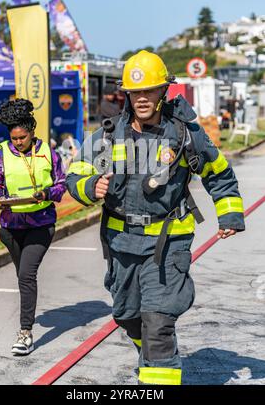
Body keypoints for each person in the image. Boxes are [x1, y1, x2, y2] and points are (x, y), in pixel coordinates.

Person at [66, 50, 245, 385]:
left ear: (164, 91)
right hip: (121, 244)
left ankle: (157, 373)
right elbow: (74, 175)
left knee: (158, 323)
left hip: (168, 245)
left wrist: (230, 214)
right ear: (127, 94)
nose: (142, 98)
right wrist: (91, 186)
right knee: (127, 316)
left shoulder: (185, 135)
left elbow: (219, 173)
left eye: (149, 90)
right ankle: (149, 355)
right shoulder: (107, 135)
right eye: (136, 92)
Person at [0, 99, 66, 355]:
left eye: (22, 137)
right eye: (14, 138)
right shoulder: (1, 156)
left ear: (32, 131)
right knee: (24, 278)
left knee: (26, 276)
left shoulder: (49, 153)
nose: (18, 142)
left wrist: (45, 194)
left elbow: (61, 184)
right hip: (10, 227)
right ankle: (26, 322)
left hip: (40, 225)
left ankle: (25, 333)